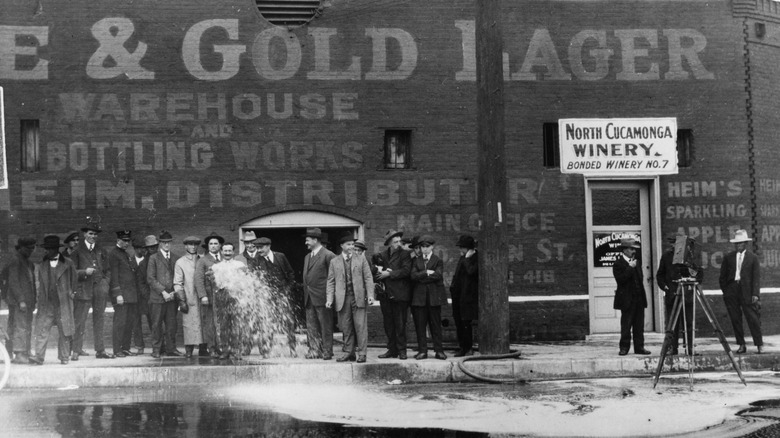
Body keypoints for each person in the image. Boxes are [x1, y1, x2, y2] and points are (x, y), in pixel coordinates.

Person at [326, 234, 375, 363]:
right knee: (346, 327)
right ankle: (349, 353)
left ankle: (362, 353)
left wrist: (370, 295)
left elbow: (368, 278)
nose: (351, 247)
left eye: (352, 244)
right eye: (348, 244)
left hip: (358, 297)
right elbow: (330, 281)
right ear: (341, 246)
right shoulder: (334, 261)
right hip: (342, 299)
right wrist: (329, 299)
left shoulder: (361, 259)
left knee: (360, 326)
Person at [29, 235, 77, 365]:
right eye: (46, 248)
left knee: (65, 330)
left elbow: (74, 281)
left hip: (63, 303)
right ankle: (39, 357)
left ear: (56, 249)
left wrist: (72, 294)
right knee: (42, 329)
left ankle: (64, 357)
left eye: (50, 249)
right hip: (47, 303)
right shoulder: (42, 264)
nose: (47, 251)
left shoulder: (68, 263)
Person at [71, 217, 113, 360]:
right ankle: (76, 350)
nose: (93, 236)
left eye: (95, 234)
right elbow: (71, 272)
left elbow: (108, 270)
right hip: (84, 290)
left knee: (99, 319)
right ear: (84, 234)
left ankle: (100, 350)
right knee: (80, 320)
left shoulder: (101, 250)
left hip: (100, 289)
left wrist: (105, 284)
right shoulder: (77, 251)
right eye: (90, 233)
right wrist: (84, 272)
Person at [656, 233, 703, 355]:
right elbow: (660, 275)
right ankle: (672, 348)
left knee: (689, 323)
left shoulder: (690, 256)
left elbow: (699, 274)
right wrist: (665, 287)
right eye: (673, 243)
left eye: (676, 243)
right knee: (673, 324)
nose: (674, 246)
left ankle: (690, 348)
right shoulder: (666, 256)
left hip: (687, 295)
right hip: (672, 295)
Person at [719, 229, 763, 354]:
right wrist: (726, 292)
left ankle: (759, 344)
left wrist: (755, 294)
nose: (738, 245)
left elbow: (756, 277)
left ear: (746, 244)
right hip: (732, 291)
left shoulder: (753, 258)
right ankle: (741, 345)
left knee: (753, 318)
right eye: (736, 243)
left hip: (747, 292)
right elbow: (722, 277)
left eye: (741, 243)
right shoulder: (728, 258)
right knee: (735, 318)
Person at [255, 235, 297, 354]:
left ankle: (292, 349)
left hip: (283, 295)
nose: (259, 250)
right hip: (267, 297)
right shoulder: (257, 260)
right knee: (267, 322)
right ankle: (267, 350)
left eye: (261, 247)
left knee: (289, 322)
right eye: (257, 248)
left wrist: (287, 290)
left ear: (268, 246)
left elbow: (290, 274)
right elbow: (255, 278)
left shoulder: (280, 257)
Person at [374, 229, 412, 360]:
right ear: (389, 243)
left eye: (399, 241)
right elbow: (377, 272)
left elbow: (406, 271)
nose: (398, 244)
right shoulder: (382, 255)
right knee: (388, 324)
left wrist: (389, 274)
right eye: (395, 242)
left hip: (400, 295)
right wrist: (377, 272)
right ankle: (392, 350)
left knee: (400, 324)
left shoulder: (405, 254)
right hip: (385, 295)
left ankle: (402, 350)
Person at [410, 235, 447, 360]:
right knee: (420, 325)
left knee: (435, 325)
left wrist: (422, 277)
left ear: (432, 247)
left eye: (427, 246)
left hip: (434, 298)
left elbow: (438, 275)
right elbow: (413, 276)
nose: (424, 249)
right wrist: (426, 272)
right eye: (422, 247)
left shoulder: (437, 260)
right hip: (419, 298)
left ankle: (439, 351)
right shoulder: (416, 260)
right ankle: (422, 351)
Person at [613, 237, 651, 356]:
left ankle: (639, 347)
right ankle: (624, 348)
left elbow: (640, 279)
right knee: (626, 324)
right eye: (631, 249)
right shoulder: (618, 263)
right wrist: (630, 268)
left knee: (639, 325)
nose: (633, 251)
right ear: (624, 250)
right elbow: (620, 280)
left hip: (639, 298)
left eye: (634, 249)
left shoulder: (637, 262)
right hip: (627, 299)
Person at [302, 227, 336, 360]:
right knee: (311, 326)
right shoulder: (307, 257)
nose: (306, 243)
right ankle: (314, 350)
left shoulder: (328, 255)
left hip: (323, 298)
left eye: (308, 240)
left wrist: (330, 297)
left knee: (325, 326)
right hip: (309, 297)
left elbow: (333, 278)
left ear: (315, 240)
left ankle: (327, 351)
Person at [146, 231, 181, 358]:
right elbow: (150, 278)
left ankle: (171, 348)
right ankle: (156, 349)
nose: (167, 245)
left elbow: (178, 277)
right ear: (160, 243)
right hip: (158, 297)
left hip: (172, 297)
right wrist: (163, 292)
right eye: (164, 242)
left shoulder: (176, 258)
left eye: (169, 242)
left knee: (171, 325)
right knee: (156, 324)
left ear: (171, 243)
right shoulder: (153, 258)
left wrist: (173, 292)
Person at [4, 237, 37, 364]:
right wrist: (21, 300)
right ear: (21, 248)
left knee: (24, 326)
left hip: (28, 302)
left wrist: (33, 301)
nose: (31, 251)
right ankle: (19, 354)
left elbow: (32, 283)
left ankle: (25, 351)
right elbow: (13, 282)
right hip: (18, 302)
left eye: (33, 248)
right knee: (20, 326)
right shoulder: (15, 260)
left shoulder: (29, 263)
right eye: (29, 248)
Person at [213, 242, 247, 360]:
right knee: (223, 325)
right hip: (222, 297)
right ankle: (225, 350)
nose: (227, 253)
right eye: (225, 251)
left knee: (236, 325)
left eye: (229, 251)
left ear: (233, 252)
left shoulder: (239, 265)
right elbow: (215, 284)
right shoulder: (216, 267)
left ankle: (236, 350)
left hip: (236, 297)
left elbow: (244, 282)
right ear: (221, 252)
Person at [108, 230, 139, 358]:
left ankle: (125, 348)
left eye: (128, 241)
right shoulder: (114, 254)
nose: (127, 243)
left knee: (129, 322)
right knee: (120, 323)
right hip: (121, 295)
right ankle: (117, 349)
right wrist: (118, 294)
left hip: (130, 295)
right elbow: (114, 276)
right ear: (118, 240)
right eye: (124, 241)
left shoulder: (126, 254)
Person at [194, 232, 224, 357]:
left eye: (216, 243)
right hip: (210, 296)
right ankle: (212, 348)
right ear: (208, 246)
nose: (213, 246)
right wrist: (203, 296)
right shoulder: (203, 260)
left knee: (222, 323)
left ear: (220, 245)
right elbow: (198, 279)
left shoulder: (224, 259)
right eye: (211, 244)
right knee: (210, 323)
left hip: (223, 296)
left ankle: (222, 347)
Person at [174, 236, 203, 358]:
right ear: (185, 246)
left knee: (203, 323)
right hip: (189, 297)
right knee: (189, 324)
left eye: (195, 244)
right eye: (190, 244)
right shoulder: (180, 262)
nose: (193, 247)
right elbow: (177, 283)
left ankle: (204, 349)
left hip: (202, 297)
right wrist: (182, 300)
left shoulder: (202, 259)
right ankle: (189, 350)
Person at [450, 235, 478, 357]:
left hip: (468, 297)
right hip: (458, 296)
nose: (460, 250)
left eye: (462, 247)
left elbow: (471, 271)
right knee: (459, 322)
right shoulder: (463, 258)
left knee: (466, 322)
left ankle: (468, 348)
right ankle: (462, 347)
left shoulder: (476, 258)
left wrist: (467, 259)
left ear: (469, 248)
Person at [131, 235, 156, 355]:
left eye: (144, 248)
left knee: (153, 321)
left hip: (147, 297)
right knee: (136, 322)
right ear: (135, 248)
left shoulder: (149, 260)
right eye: (140, 248)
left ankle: (158, 346)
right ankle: (139, 346)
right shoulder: (130, 260)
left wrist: (148, 295)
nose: (143, 250)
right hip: (135, 297)